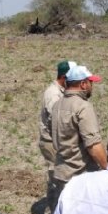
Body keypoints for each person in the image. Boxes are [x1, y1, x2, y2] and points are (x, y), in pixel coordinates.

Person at [48, 65, 108, 214]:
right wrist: (107, 168)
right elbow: (93, 146)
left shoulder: (57, 105)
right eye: (90, 82)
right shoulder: (83, 107)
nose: (91, 86)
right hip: (80, 176)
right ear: (83, 84)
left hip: (61, 172)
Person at [38, 60, 76, 188]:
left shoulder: (63, 90)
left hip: (59, 141)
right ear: (64, 77)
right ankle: (55, 204)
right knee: (58, 176)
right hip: (51, 143)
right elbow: (57, 121)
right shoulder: (53, 94)